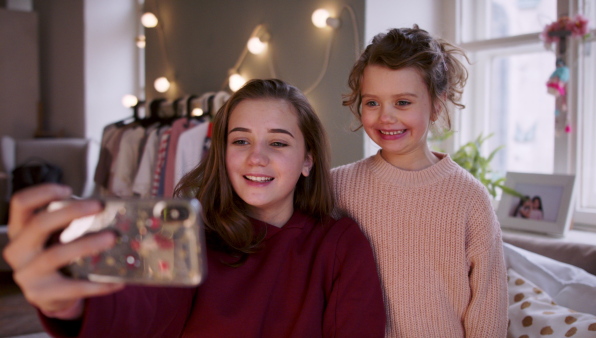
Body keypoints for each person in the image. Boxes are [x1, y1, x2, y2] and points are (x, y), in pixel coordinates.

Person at [3, 79, 386, 337]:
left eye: (279, 143)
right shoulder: (187, 235)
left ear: (308, 160)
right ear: (222, 153)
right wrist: (72, 305)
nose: (256, 158)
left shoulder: (339, 244)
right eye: (240, 141)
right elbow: (143, 310)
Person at [332, 26, 508, 337]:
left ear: (437, 104)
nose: (386, 116)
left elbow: (488, 304)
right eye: (372, 102)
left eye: (402, 103)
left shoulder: (469, 197)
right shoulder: (338, 187)